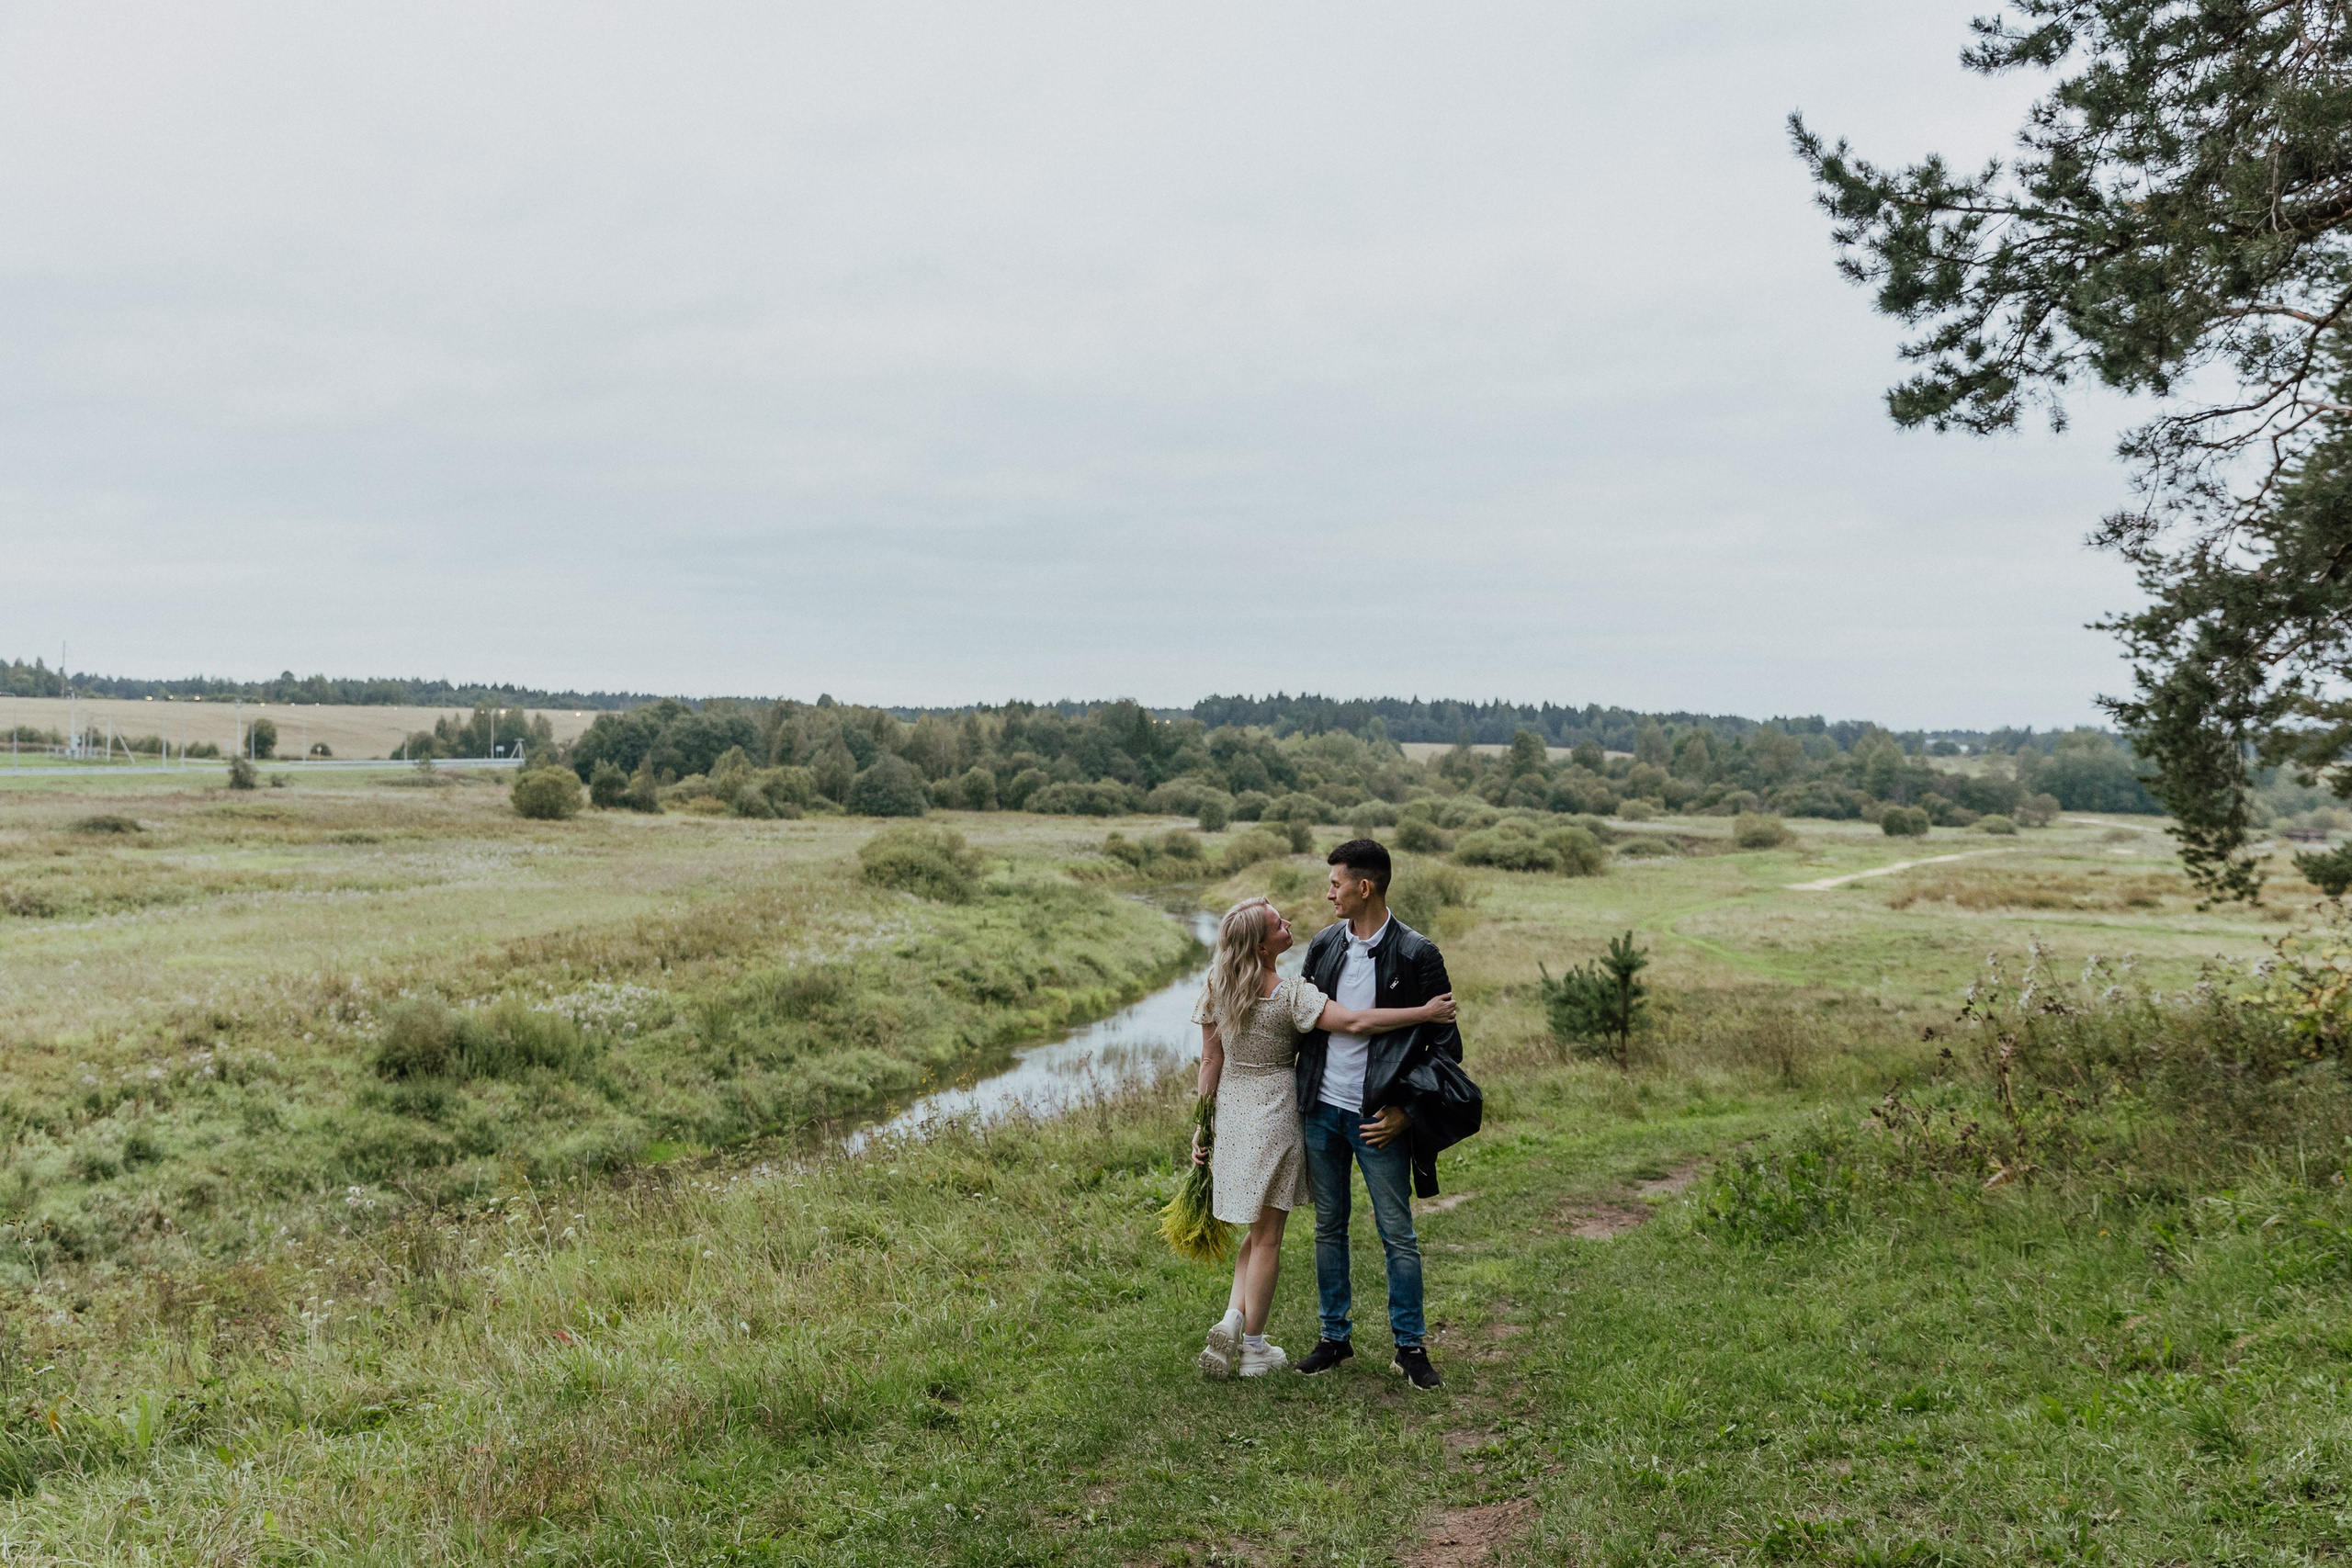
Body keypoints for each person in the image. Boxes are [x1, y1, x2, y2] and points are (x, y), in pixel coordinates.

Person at [1192, 895, 1454, 1380]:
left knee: (1257, 1226)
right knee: (1268, 1235)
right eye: (1277, 923)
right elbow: (1354, 1022)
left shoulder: (1216, 986)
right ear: (1261, 945)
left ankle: (1233, 1317)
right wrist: (1424, 1012)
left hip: (1231, 1112)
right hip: (1277, 1111)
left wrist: (1202, 1126)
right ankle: (1251, 1346)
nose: (1287, 923)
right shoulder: (1289, 992)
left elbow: (1210, 1063)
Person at [1293, 839, 1453, 1390]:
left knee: (1397, 1235)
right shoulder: (1323, 945)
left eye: (1335, 883)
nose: (1328, 892)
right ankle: (1334, 1339)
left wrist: (1407, 1112)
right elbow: (1305, 1018)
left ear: (1365, 887)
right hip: (1322, 1112)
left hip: (1378, 1120)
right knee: (1328, 1228)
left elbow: (1445, 1048)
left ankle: (1410, 1348)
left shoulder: (1418, 954)